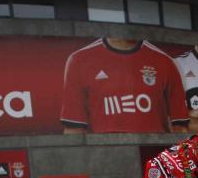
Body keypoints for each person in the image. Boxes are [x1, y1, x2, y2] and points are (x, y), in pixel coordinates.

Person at [61, 37, 189, 134]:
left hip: (153, 160)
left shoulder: (165, 61)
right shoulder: (79, 60)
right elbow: (74, 128)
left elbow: (180, 126)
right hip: (104, 160)